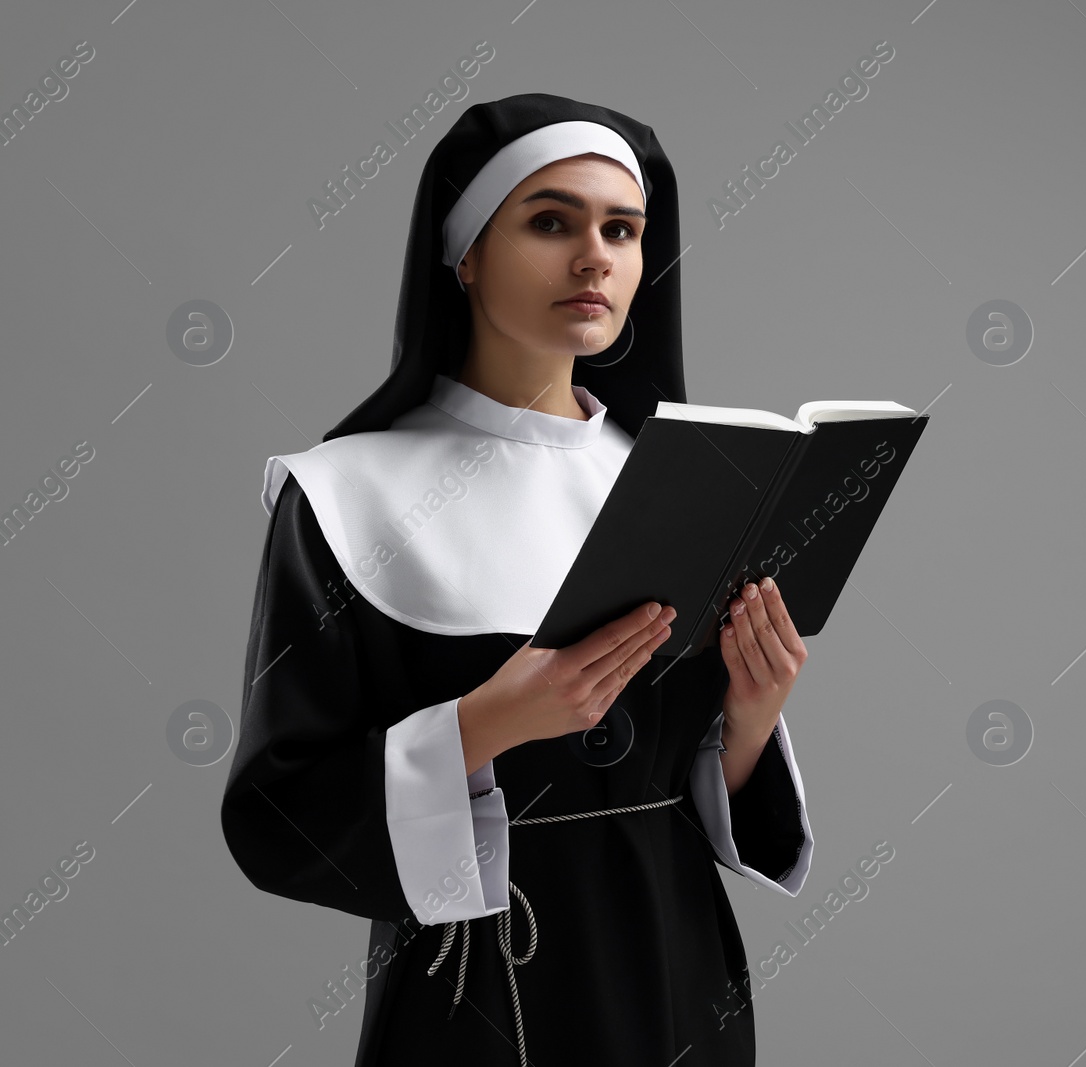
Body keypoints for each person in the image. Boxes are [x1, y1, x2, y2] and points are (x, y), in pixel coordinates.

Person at [220, 93, 815, 1066]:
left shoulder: (683, 479)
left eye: (621, 230)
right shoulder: (344, 492)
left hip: (678, 972)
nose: (595, 257)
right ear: (464, 255)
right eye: (551, 221)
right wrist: (485, 721)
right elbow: (278, 815)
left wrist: (751, 715)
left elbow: (694, 791)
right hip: (483, 994)